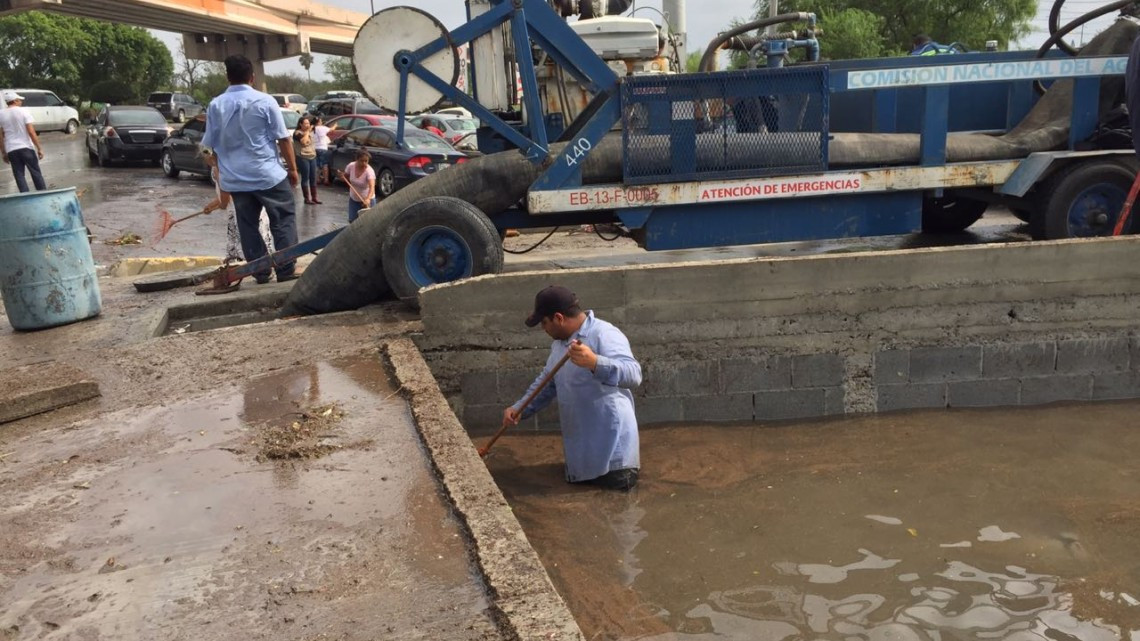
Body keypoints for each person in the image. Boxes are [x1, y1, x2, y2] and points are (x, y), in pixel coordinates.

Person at [502, 285, 643, 491]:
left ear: (559, 318)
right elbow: (548, 382)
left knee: (616, 516)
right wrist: (520, 409)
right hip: (581, 459)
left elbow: (634, 375)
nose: (544, 329)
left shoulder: (604, 334)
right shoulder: (559, 344)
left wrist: (595, 362)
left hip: (614, 458)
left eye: (544, 323)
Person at [201, 54, 300, 284]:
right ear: (252, 77)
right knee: (283, 219)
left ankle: (260, 271)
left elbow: (209, 146)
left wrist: (219, 169)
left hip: (236, 180)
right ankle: (285, 270)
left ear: (228, 77)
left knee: (247, 226)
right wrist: (293, 170)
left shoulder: (216, 105)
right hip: (268, 176)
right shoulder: (265, 102)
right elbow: (283, 139)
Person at [200, 148, 275, 262]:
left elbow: (226, 194)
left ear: (210, 157)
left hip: (238, 208)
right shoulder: (230, 163)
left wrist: (222, 204)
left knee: (246, 236)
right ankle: (266, 262)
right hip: (251, 203)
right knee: (258, 233)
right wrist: (211, 205)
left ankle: (251, 263)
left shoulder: (219, 169)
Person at [0, 90, 47, 192]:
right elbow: (31, 131)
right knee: (35, 172)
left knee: (19, 175)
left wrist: (3, 152)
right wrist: (39, 148)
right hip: (26, 148)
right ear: (15, 101)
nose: (21, 102)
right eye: (20, 100)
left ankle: (25, 197)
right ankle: (43, 193)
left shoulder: (1, 114)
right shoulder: (24, 111)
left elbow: (1, 135)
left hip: (11, 149)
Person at [339, 149, 376, 223]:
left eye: (366, 161)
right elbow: (344, 177)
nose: (364, 163)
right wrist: (342, 176)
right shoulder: (351, 166)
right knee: (352, 221)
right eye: (362, 161)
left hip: (367, 200)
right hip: (354, 199)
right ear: (357, 160)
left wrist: (368, 199)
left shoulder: (369, 171)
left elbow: (372, 187)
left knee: (368, 222)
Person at [293, 115, 320, 204]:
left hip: (312, 156)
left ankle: (314, 197)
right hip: (303, 157)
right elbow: (304, 142)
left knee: (313, 177)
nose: (308, 125)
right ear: (300, 124)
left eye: (308, 123)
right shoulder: (297, 133)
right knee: (305, 178)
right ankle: (306, 198)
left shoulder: (311, 131)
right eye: (305, 123)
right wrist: (308, 131)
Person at [313, 116, 337, 185]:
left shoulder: (312, 129)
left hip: (315, 148)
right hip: (323, 148)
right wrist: (335, 125)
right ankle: (326, 180)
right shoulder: (322, 128)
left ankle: (317, 179)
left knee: (317, 165)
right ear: (319, 122)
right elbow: (332, 129)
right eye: (321, 121)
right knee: (325, 164)